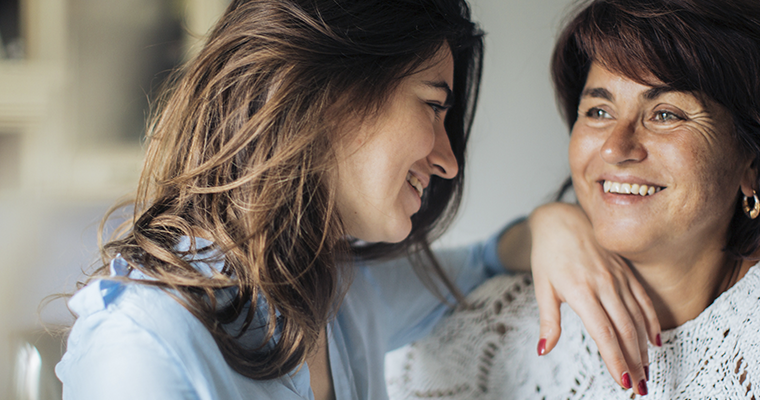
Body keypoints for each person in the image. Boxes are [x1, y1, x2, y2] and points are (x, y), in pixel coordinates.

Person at [55, 0, 657, 399]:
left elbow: (482, 262)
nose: (448, 159)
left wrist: (554, 222)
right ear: (330, 94)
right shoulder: (142, 343)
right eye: (432, 104)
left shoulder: (334, 293)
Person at [386, 0, 760, 398]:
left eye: (665, 114)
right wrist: (547, 220)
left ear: (750, 164)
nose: (616, 148)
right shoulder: (489, 333)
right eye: (598, 111)